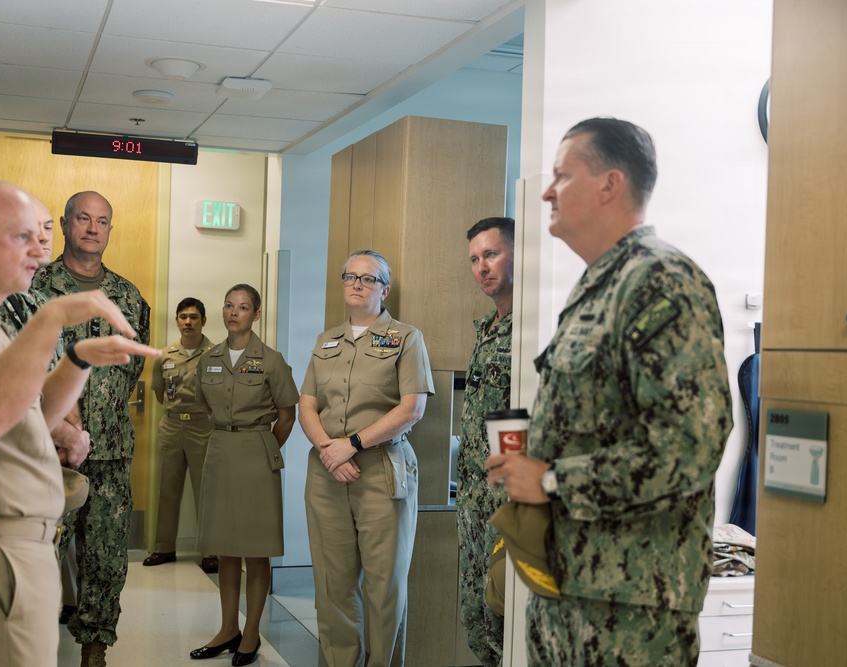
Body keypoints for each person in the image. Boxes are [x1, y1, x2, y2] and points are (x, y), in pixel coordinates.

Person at [486, 118, 733, 666]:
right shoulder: (599, 286)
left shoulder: (661, 280)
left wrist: (550, 478)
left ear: (609, 184)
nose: (547, 191)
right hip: (570, 590)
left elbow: (689, 448)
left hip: (631, 609)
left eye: (561, 176)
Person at [0, 180, 159, 667]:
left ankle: (95, 646)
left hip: (14, 542)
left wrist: (77, 359)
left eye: (35, 236)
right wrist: (52, 319)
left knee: (104, 558)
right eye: (20, 236)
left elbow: (31, 410)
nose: (35, 248)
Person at [299, 250, 434, 667]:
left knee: (384, 585)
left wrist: (352, 443)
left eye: (368, 279)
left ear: (384, 290)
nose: (357, 284)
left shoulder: (406, 338)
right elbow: (307, 404)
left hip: (380, 470)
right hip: (327, 473)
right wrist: (329, 449)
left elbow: (412, 408)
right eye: (350, 276)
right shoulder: (326, 340)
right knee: (332, 582)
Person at [32, 190, 151, 667]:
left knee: (105, 558)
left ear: (109, 230)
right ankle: (31, 640)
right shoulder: (35, 286)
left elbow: (131, 370)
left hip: (109, 450)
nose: (93, 228)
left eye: (102, 221)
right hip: (43, 452)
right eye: (83, 218)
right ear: (65, 223)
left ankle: (94, 648)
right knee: (38, 552)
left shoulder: (128, 296)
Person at [188, 284, 298, 666]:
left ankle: (250, 632)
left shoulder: (271, 361)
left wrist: (264, 448)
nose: (234, 312)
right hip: (219, 452)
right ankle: (227, 629)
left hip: (256, 454)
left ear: (257, 314)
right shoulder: (208, 360)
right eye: (229, 306)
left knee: (256, 548)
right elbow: (204, 403)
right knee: (225, 547)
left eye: (244, 307)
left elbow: (287, 415)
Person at [0, 193, 88, 625]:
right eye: (35, 227)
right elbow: (11, 398)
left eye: (50, 226)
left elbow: (53, 377)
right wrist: (67, 435)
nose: (47, 237)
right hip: (2, 490)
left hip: (41, 479)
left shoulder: (31, 302)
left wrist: (75, 429)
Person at [458, 216, 515, 666]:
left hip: (506, 503)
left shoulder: (530, 329)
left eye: (491, 254)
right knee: (476, 619)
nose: (482, 267)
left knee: (505, 616)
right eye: (475, 259)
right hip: (474, 501)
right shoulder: (486, 330)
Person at [143, 297, 218, 572]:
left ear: (203, 321)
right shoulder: (163, 355)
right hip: (172, 427)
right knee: (167, 488)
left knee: (206, 491)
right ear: (177, 320)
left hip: (203, 428)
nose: (188, 322)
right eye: (183, 316)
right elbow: (160, 393)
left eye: (194, 317)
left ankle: (211, 551)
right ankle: (164, 548)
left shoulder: (215, 354)